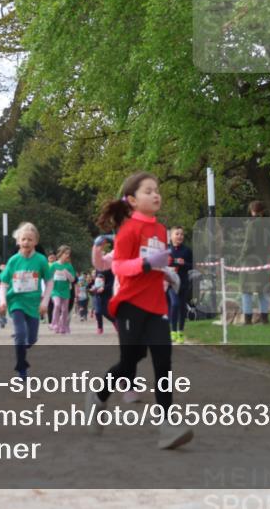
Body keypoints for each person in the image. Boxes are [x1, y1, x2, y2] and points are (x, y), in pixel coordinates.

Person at [85, 172, 192, 450]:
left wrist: (167, 273)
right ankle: (98, 397)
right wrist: (146, 264)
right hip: (130, 304)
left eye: (157, 190)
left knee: (163, 362)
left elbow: (158, 263)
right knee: (129, 362)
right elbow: (119, 266)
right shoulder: (128, 229)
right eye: (148, 191)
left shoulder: (161, 230)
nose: (156, 195)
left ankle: (167, 425)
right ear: (132, 200)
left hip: (157, 305)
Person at [0, 222, 53, 378]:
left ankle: (23, 346)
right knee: (20, 334)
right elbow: (3, 283)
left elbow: (49, 282)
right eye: (23, 239)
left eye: (30, 239)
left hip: (34, 304)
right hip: (16, 301)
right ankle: (21, 367)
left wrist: (44, 302)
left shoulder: (41, 260)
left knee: (31, 339)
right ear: (18, 241)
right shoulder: (13, 261)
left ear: (35, 241)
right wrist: (2, 301)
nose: (26, 242)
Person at [238, 201, 270, 326]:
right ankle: (265, 319)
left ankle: (247, 320)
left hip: (250, 262)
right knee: (263, 291)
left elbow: (248, 244)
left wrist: (241, 257)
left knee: (246, 290)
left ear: (253, 211)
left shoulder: (252, 225)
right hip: (266, 262)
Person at [167, 225, 194, 342]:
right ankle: (173, 331)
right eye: (177, 234)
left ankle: (180, 332)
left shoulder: (187, 250)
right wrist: (170, 263)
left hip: (183, 282)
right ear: (171, 236)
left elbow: (192, 265)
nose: (180, 236)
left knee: (182, 307)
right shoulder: (166, 249)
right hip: (171, 283)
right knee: (175, 304)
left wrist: (184, 264)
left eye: (182, 234)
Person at [49, 246, 77, 334]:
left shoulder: (69, 266)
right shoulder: (54, 265)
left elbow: (72, 280)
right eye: (66, 253)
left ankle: (63, 326)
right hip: (55, 290)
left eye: (69, 254)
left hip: (65, 291)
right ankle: (54, 324)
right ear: (61, 253)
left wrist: (67, 273)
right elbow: (48, 277)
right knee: (57, 305)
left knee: (65, 310)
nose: (67, 255)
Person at [91, 241, 115, 335]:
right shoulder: (97, 268)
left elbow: (112, 282)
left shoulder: (110, 268)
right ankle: (100, 327)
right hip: (97, 293)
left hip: (107, 293)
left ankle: (115, 321)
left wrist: (104, 288)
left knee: (106, 311)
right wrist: (94, 287)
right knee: (97, 311)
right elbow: (97, 280)